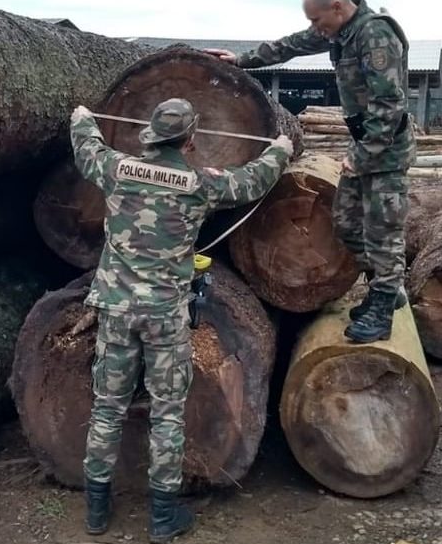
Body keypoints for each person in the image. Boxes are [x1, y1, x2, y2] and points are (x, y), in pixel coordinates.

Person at [70, 98, 293, 543]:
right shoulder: (198, 184)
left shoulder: (117, 170)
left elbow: (86, 149)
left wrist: (81, 119)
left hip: (116, 309)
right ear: (190, 140)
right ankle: (162, 518)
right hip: (165, 316)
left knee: (107, 407)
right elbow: (252, 182)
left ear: (152, 135)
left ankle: (96, 512)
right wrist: (281, 149)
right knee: (167, 412)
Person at [204, 0, 413, 344]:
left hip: (387, 147)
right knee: (346, 222)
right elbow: (292, 45)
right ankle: (386, 287)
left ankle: (382, 307)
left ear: (337, 6)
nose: (314, 27)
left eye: (317, 19)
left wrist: (365, 153)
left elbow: (390, 105)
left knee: (384, 227)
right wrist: (243, 60)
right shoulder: (338, 30)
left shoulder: (375, 36)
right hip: (366, 141)